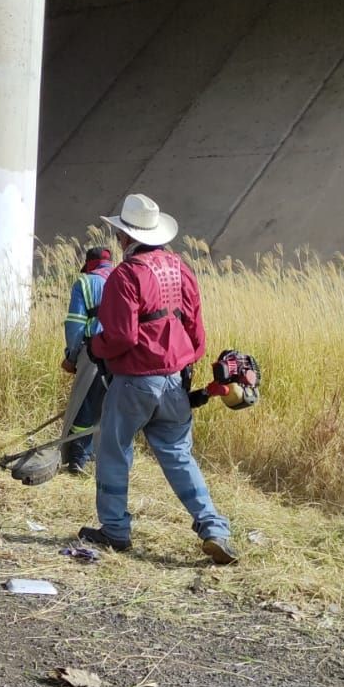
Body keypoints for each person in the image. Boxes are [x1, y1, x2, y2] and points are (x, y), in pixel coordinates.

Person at [83, 194, 236, 564]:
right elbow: (196, 331)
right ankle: (213, 527)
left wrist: (94, 348)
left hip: (134, 380)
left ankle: (115, 530)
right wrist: (183, 364)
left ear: (125, 237)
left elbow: (121, 336)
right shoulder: (180, 268)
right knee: (179, 455)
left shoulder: (125, 275)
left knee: (114, 451)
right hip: (174, 379)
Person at [61, 247, 115, 474]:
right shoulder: (125, 277)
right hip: (123, 355)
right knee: (112, 407)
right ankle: (104, 459)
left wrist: (71, 356)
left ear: (89, 264)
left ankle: (78, 458)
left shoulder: (84, 283)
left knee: (86, 402)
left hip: (94, 353)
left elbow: (75, 324)